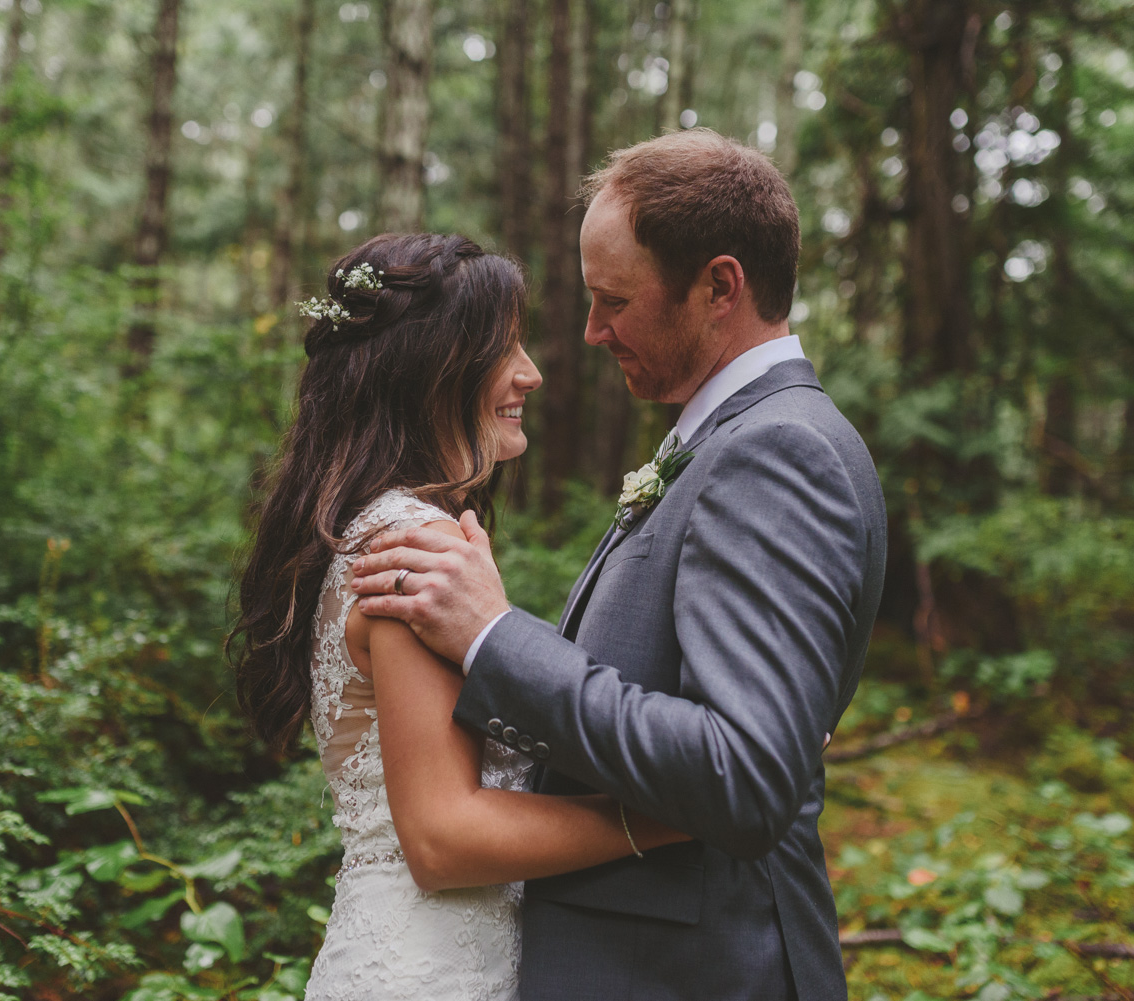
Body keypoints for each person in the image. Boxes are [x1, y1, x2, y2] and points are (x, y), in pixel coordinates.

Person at [350, 129, 888, 1000]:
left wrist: (493, 637)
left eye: (615, 300)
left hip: (693, 971)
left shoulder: (775, 450)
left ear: (720, 286)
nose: (594, 332)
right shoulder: (731, 439)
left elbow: (744, 775)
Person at [230, 232, 689, 1001]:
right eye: (503, 347)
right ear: (432, 370)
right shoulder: (412, 542)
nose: (531, 373)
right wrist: (672, 816)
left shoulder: (372, 526)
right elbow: (441, 836)